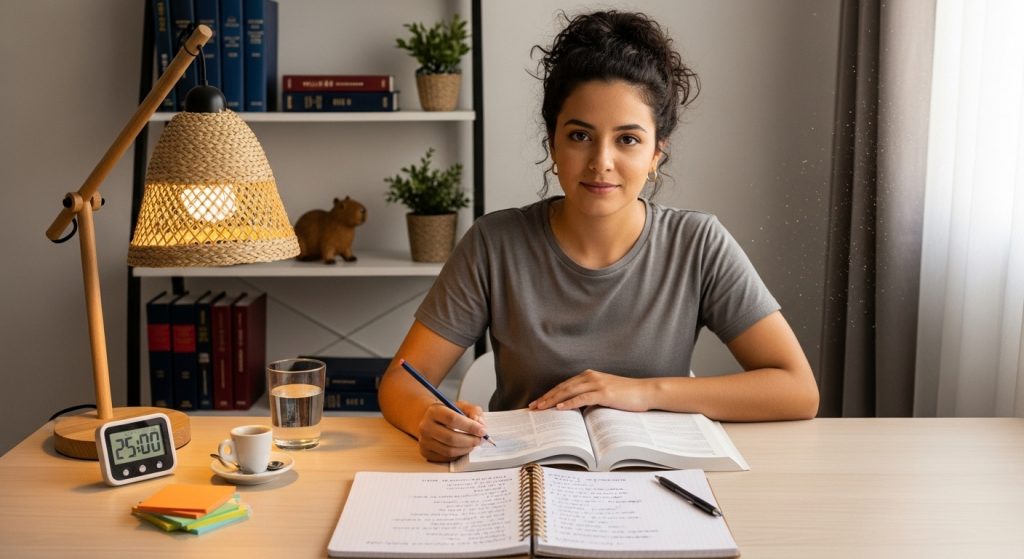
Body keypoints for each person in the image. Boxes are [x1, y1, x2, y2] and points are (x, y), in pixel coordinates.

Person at [379, 10, 819, 462]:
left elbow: (797, 389)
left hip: (657, 483)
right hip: (522, 481)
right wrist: (425, 418)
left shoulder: (699, 243)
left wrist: (642, 392)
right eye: (579, 136)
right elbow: (401, 380)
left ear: (656, 153)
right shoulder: (494, 243)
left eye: (627, 139)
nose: (601, 162)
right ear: (552, 143)